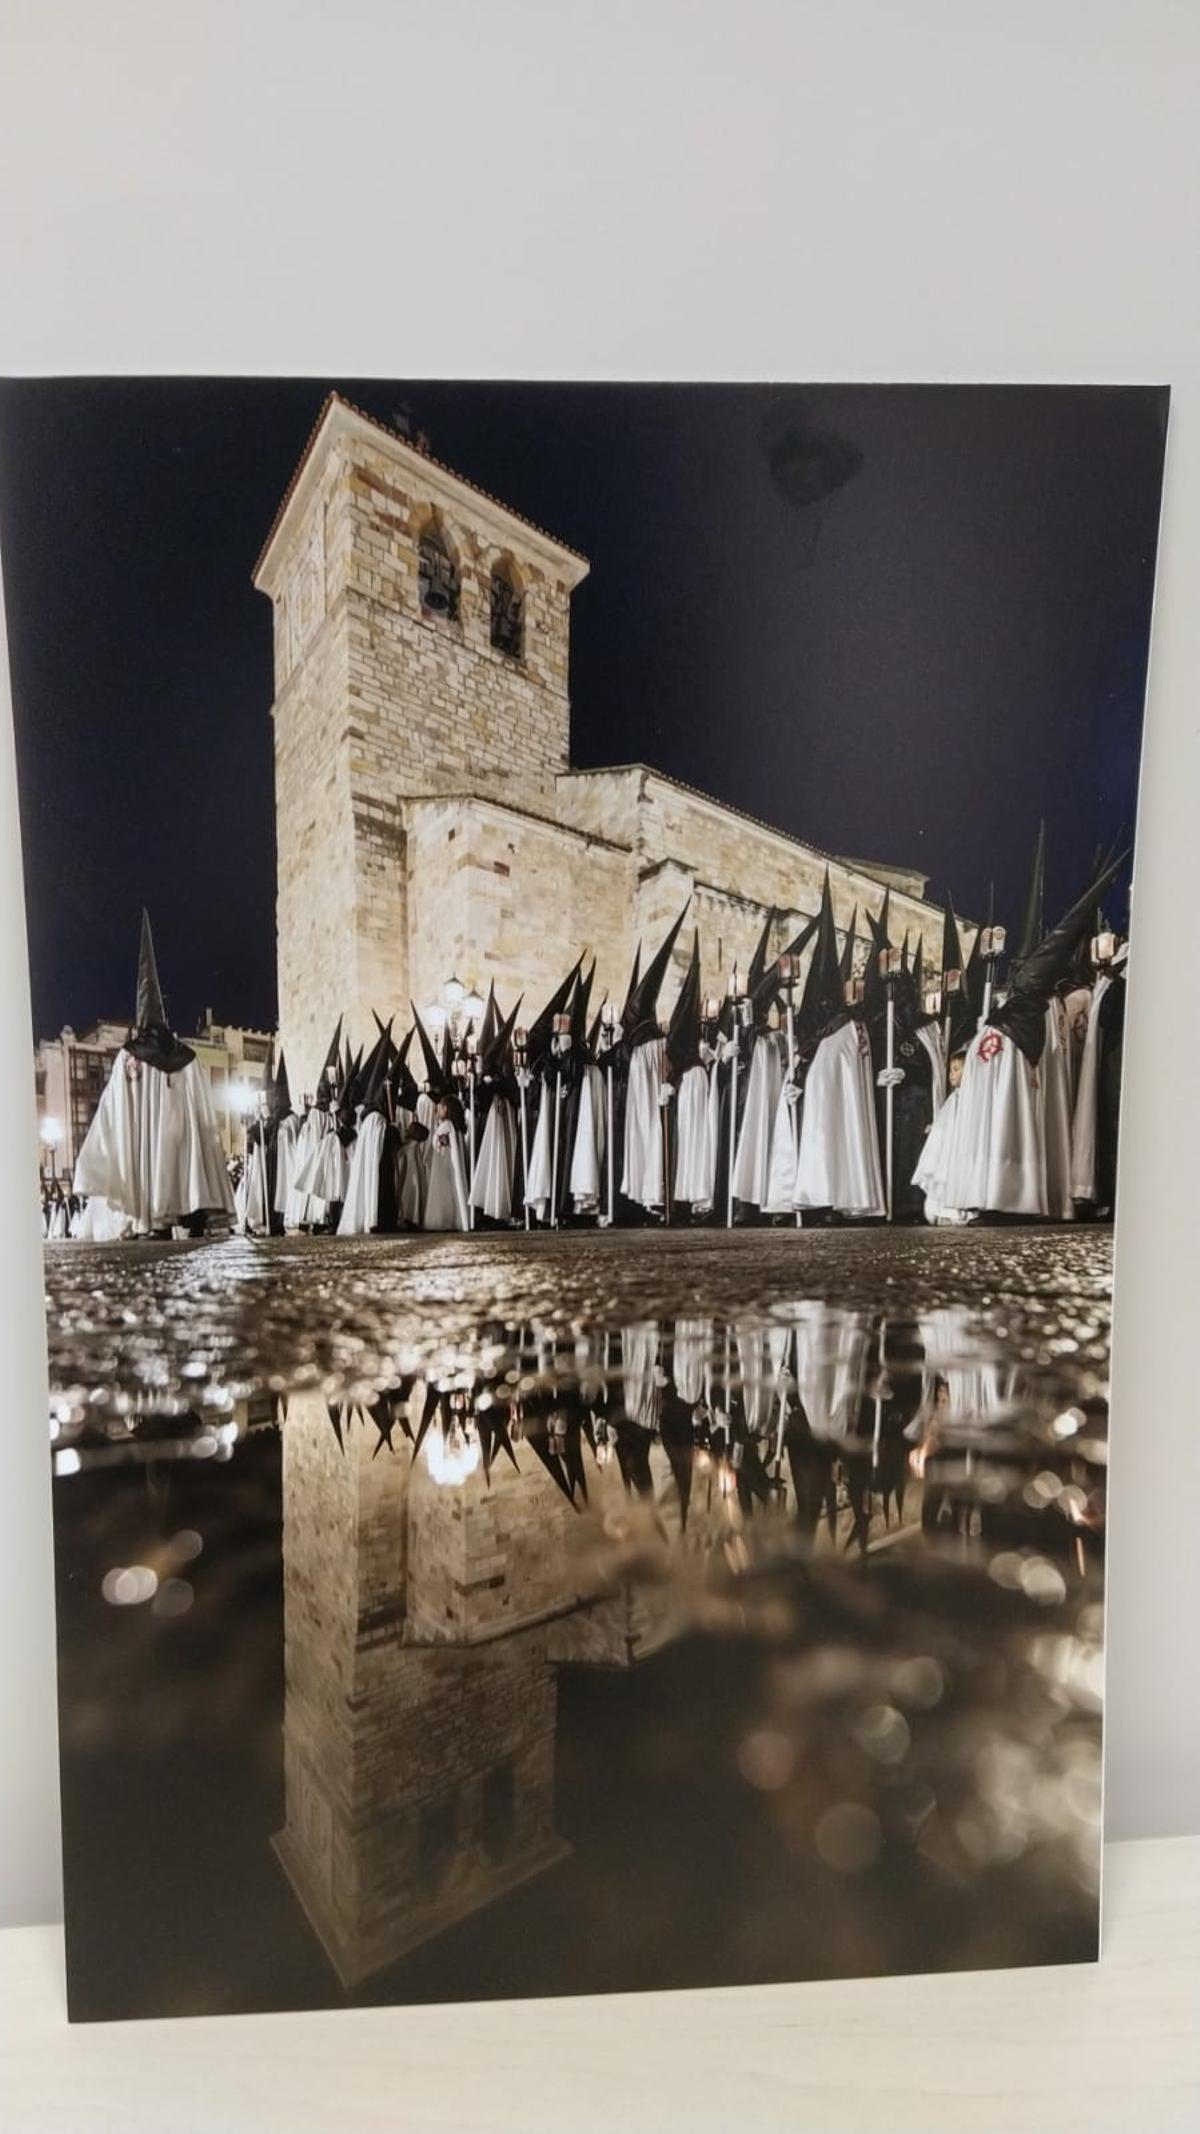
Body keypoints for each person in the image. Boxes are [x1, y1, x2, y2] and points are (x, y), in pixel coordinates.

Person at [73, 910, 234, 1238]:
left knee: (153, 1166)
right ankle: (192, 1212)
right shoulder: (186, 1056)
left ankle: (155, 1220)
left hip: (148, 1142)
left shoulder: (130, 1056)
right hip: (181, 1135)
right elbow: (203, 1114)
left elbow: (114, 1110)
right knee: (183, 1165)